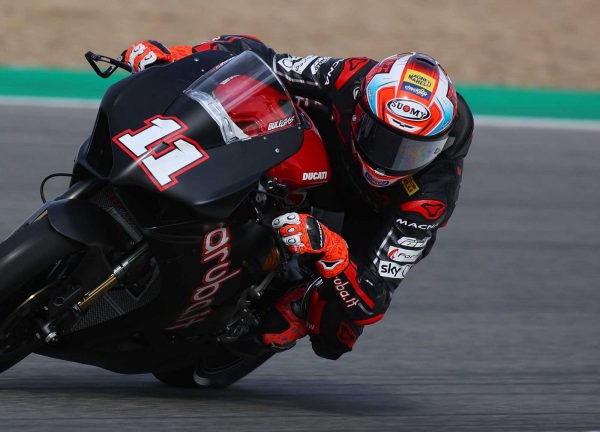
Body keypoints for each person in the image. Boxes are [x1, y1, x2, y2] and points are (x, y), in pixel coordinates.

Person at [121, 36, 474, 360]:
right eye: (382, 139)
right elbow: (264, 59)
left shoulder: (431, 196)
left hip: (373, 216)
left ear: (437, 147)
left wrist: (334, 253)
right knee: (254, 96)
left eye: (412, 152)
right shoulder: (350, 77)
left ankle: (298, 302)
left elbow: (374, 300)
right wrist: (179, 56)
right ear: (360, 110)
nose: (391, 160)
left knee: (336, 333)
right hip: (326, 156)